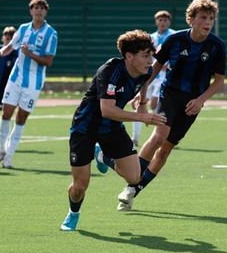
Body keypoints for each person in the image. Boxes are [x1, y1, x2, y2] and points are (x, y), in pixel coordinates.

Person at [97, 0, 226, 211]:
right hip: (170, 95)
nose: (208, 22)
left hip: (192, 103)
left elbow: (219, 81)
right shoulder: (175, 41)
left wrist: (200, 100)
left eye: (211, 18)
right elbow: (153, 69)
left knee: (165, 151)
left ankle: (133, 191)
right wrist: (143, 96)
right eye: (203, 17)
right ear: (191, 19)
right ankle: (131, 185)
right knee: (158, 136)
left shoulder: (217, 46)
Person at [60, 30, 167, 231]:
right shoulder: (110, 72)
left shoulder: (147, 71)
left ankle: (101, 157)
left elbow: (144, 82)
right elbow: (107, 110)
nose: (150, 60)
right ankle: (73, 213)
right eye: (145, 55)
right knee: (80, 187)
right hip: (85, 127)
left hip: (111, 128)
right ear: (129, 56)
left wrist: (143, 102)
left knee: (135, 177)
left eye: (150, 55)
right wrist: (142, 116)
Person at [0, 0, 58, 169]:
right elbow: (12, 45)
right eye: (36, 8)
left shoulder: (51, 34)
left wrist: (30, 54)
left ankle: (8, 158)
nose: (39, 11)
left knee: (21, 117)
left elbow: (48, 61)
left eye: (42, 8)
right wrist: (1, 52)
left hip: (34, 82)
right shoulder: (23, 28)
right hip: (16, 78)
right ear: (31, 11)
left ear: (45, 12)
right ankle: (1, 152)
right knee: (6, 113)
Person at [131, 10, 176, 146]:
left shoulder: (173, 36)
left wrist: (166, 64)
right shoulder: (151, 38)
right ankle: (135, 138)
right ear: (156, 22)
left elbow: (176, 55)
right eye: (160, 20)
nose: (163, 23)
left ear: (169, 22)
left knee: (153, 103)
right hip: (149, 75)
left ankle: (161, 134)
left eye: (165, 20)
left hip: (163, 76)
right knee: (139, 104)